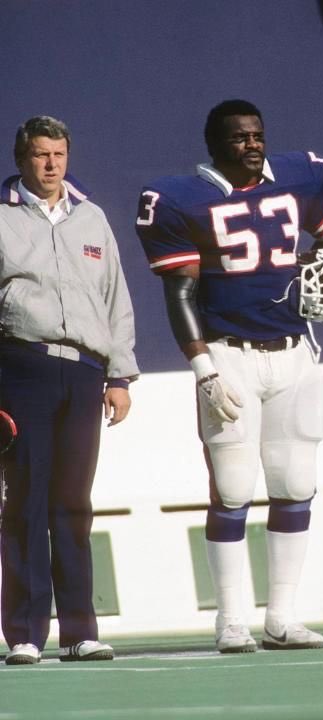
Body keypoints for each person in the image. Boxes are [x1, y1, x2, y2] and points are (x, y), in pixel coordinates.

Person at [136, 99, 323, 653]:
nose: (252, 143)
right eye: (239, 137)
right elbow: (181, 291)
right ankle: (231, 618)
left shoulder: (299, 178)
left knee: (294, 485)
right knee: (235, 488)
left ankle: (283, 616)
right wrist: (203, 369)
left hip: (295, 352)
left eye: (257, 134)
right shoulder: (179, 199)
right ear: (214, 144)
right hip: (229, 353)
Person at [0, 116, 139, 665]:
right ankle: (26, 634)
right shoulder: (2, 217)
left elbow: (116, 300)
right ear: (21, 158)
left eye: (59, 153)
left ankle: (80, 631)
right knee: (25, 504)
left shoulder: (92, 217)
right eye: (40, 155)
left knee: (73, 504)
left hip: (83, 374)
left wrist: (120, 375)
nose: (52, 164)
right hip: (20, 368)